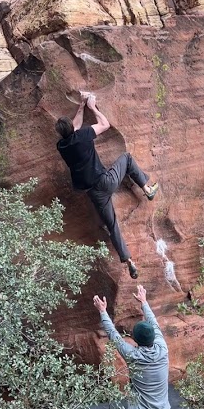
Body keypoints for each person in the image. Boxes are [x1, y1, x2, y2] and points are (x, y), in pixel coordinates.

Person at [56, 92, 159, 279]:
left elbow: (74, 126)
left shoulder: (62, 146)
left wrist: (81, 105)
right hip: (106, 181)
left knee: (112, 226)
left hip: (94, 194)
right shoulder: (83, 135)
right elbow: (105, 125)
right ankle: (147, 189)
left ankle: (127, 259)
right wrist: (93, 107)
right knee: (127, 158)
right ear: (73, 129)